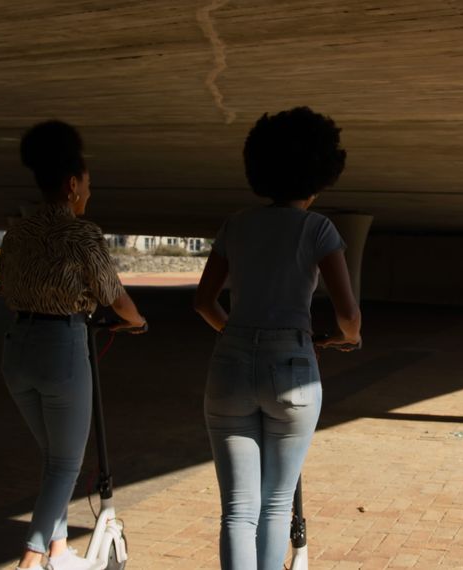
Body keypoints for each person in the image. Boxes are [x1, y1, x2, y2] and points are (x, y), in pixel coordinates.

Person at [193, 107, 363, 569]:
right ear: (320, 172)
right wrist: (342, 338)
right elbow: (349, 316)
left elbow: (204, 303)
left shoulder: (236, 225)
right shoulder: (318, 229)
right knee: (274, 505)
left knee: (238, 511)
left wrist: (237, 335)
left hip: (228, 364)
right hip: (292, 366)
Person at [0, 120, 147, 570]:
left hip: (16, 350)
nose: (88, 194)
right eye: (86, 185)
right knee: (65, 465)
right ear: (71, 185)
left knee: (54, 458)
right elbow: (114, 297)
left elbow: (4, 289)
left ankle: (59, 552)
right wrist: (137, 322)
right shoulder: (83, 235)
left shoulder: (16, 232)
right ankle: (31, 558)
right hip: (60, 350)